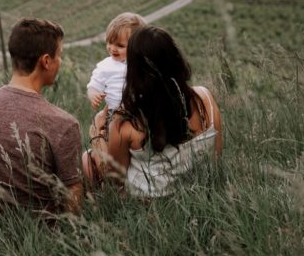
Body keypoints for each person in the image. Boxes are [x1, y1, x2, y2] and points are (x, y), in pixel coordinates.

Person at [0, 18, 83, 223]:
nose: (60, 61)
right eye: (59, 55)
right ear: (46, 61)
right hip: (37, 229)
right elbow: (73, 194)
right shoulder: (64, 123)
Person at [82, 25, 223, 197]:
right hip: (200, 192)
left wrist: (98, 133)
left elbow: (115, 182)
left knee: (87, 159)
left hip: (148, 204)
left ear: (134, 71)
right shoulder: (204, 99)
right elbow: (216, 157)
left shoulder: (125, 124)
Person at [86, 12, 146, 139]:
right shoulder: (105, 66)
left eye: (120, 45)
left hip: (141, 112)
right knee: (116, 138)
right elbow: (93, 86)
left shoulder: (142, 64)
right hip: (115, 113)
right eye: (110, 42)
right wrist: (93, 95)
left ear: (136, 46)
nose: (112, 48)